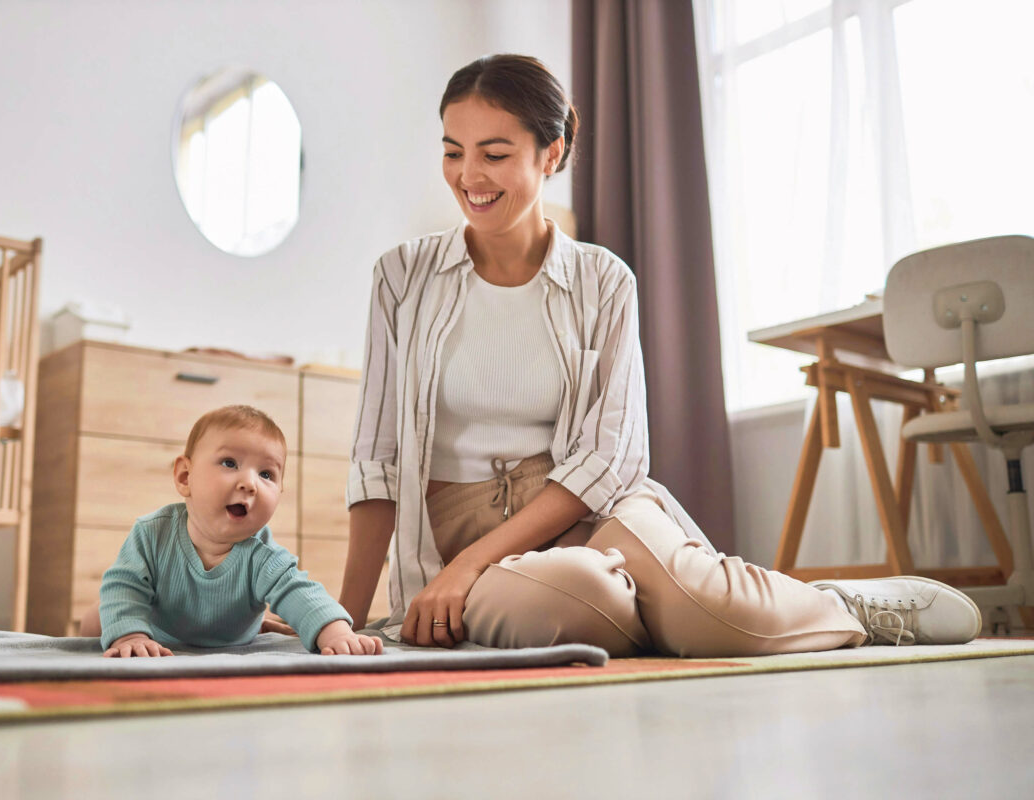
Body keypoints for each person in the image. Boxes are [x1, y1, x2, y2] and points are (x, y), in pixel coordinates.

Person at [337, 54, 981, 657]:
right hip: (462, 536)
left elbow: (611, 456)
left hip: (591, 509)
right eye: (453, 152)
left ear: (551, 153)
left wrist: (468, 569)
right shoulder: (402, 277)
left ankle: (843, 608)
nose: (468, 176)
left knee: (708, 610)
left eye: (494, 154)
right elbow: (379, 459)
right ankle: (667, 609)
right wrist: (343, 615)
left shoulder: (604, 281)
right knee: (578, 602)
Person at [80, 405, 383, 658]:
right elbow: (125, 584)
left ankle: (255, 624)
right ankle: (126, 628)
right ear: (186, 476)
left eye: (266, 474)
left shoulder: (263, 556)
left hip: (229, 638)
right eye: (229, 463)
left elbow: (299, 591)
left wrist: (337, 631)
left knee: (292, 617)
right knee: (97, 619)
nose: (249, 483)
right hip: (159, 634)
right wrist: (130, 636)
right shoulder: (152, 533)